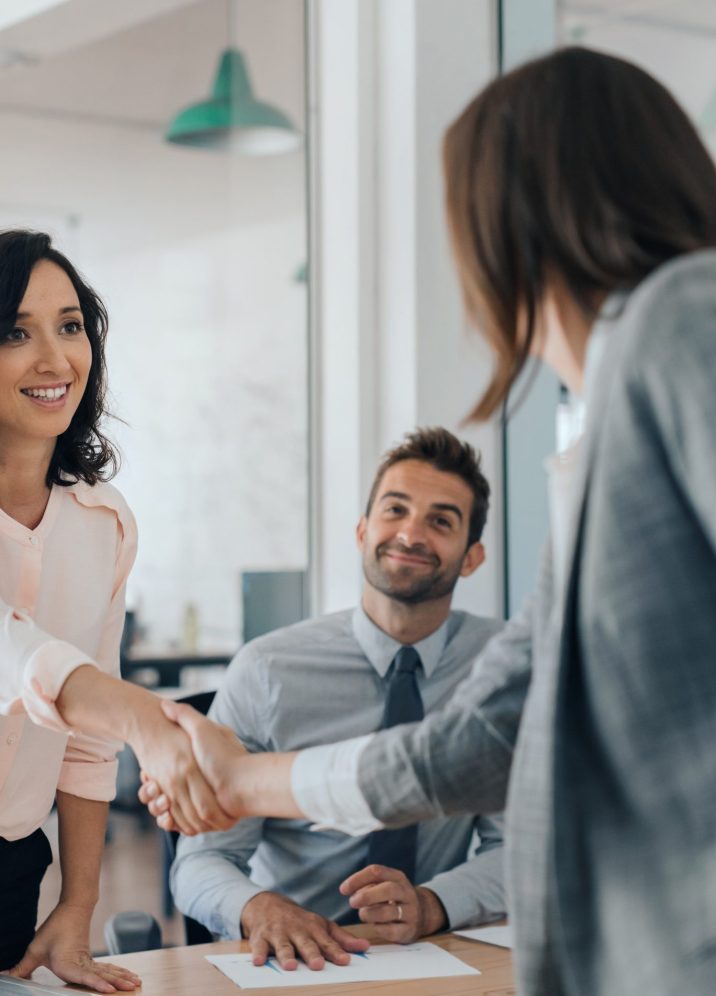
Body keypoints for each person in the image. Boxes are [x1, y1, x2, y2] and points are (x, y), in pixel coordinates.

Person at [142, 46, 716, 996]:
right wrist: (242, 785)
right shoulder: (598, 428)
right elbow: (487, 738)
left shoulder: (680, 317)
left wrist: (242, 780)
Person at [171, 427, 506, 970]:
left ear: (472, 557)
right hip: (293, 962)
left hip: (435, 953)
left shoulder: (502, 668)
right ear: (362, 531)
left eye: (441, 521)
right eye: (395, 510)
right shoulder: (267, 670)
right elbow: (202, 860)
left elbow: (522, 845)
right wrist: (260, 909)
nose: (411, 533)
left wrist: (431, 904)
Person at [0, 231, 232, 992]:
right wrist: (145, 723)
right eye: (14, 332)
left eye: (69, 326)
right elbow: (19, 655)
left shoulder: (105, 524)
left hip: (11, 861)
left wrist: (79, 903)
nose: (53, 359)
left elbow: (82, 743)